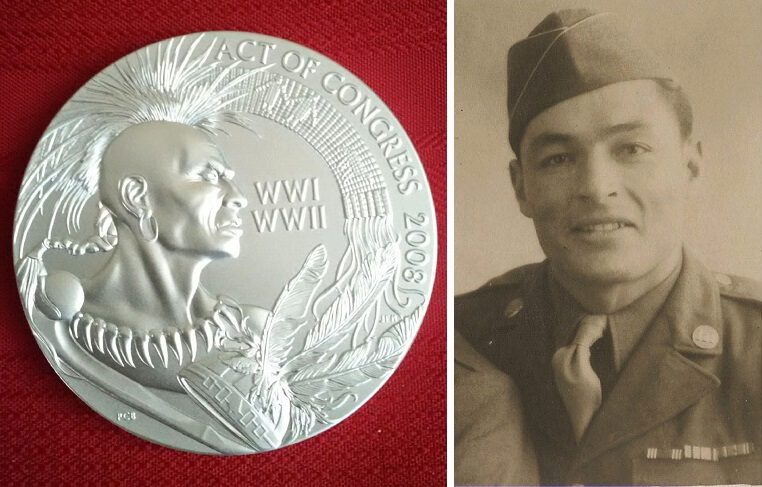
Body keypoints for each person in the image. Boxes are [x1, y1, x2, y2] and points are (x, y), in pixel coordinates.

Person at [455, 9, 761, 485]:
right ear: (521, 188)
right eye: (559, 159)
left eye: (631, 150)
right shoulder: (462, 341)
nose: (597, 188)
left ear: (690, 164)